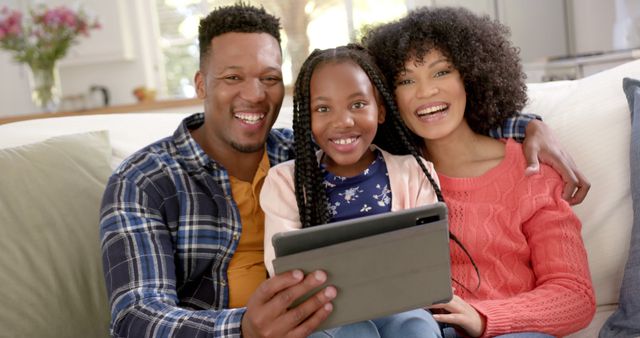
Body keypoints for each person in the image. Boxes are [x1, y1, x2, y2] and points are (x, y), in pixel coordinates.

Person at [99, 3, 589, 338]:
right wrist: (244, 327)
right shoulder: (146, 181)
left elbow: (426, 116)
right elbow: (136, 316)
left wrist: (529, 127)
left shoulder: (311, 149)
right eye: (231, 78)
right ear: (200, 82)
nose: (254, 94)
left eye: (270, 79)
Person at [362, 6, 596, 337]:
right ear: (388, 97)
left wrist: (482, 316)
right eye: (405, 80)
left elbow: (575, 295)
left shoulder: (531, 171)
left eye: (441, 72)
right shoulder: (385, 178)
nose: (426, 91)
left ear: (471, 76)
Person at [260, 44, 444, 338]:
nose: (343, 121)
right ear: (307, 118)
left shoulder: (414, 172)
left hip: (402, 306)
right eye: (322, 109)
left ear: (380, 110)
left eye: (358, 104)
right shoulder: (285, 181)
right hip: (324, 314)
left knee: (416, 328)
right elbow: (283, 270)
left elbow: (424, 264)